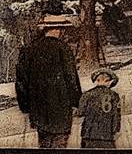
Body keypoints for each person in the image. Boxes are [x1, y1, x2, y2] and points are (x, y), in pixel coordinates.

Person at [15, 14, 82, 149]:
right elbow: (71, 78)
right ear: (58, 30)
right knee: (59, 141)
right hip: (61, 107)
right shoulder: (63, 48)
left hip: (38, 108)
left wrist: (25, 105)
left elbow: (21, 80)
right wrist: (77, 102)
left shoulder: (29, 49)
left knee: (44, 142)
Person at [78, 67, 122, 150]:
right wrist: (116, 130)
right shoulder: (114, 95)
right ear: (108, 81)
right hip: (107, 134)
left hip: (89, 133)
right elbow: (116, 116)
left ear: (97, 80)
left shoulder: (87, 94)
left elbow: (80, 112)